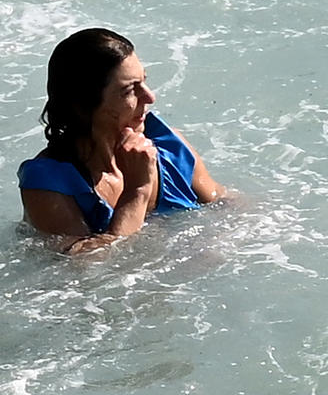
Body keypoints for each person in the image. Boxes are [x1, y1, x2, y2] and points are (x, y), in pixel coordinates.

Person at [18, 26, 230, 248]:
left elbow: (227, 207)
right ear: (82, 107)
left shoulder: (170, 148)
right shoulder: (48, 185)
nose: (149, 97)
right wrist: (137, 191)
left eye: (144, 82)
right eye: (129, 90)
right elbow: (85, 272)